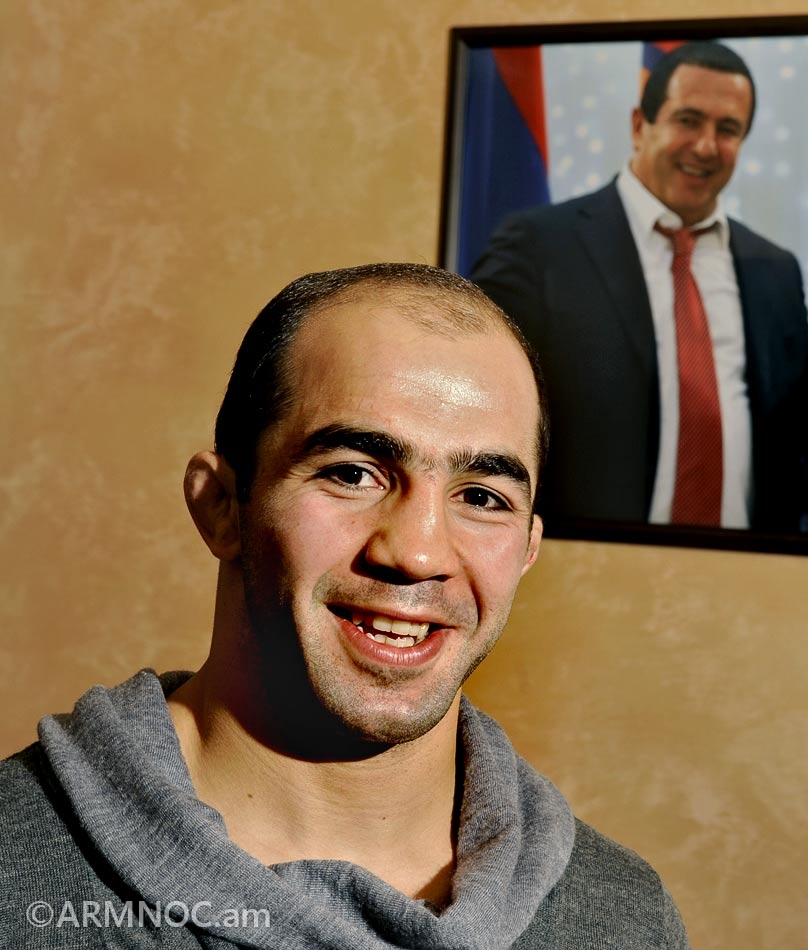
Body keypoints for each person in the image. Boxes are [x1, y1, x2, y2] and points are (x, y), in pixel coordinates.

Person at [0, 263, 688, 949]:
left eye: (482, 497)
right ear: (221, 507)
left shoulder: (627, 922)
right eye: (353, 473)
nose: (418, 553)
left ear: (527, 549)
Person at [471, 41, 808, 533]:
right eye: (688, 120)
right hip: (583, 561)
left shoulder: (774, 271)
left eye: (728, 129)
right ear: (640, 126)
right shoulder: (539, 247)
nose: (706, 146)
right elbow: (477, 399)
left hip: (749, 566)